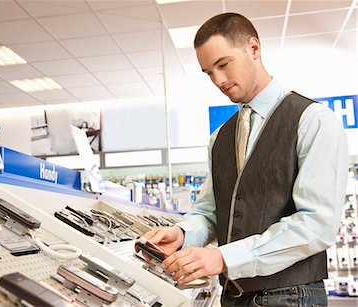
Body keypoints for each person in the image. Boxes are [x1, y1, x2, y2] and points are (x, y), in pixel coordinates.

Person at [140, 12, 348, 306]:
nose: (218, 80)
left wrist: (223, 257)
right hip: (233, 297)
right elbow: (210, 211)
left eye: (223, 65)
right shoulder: (220, 138)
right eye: (209, 72)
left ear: (254, 48)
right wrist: (182, 233)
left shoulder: (313, 121)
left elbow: (317, 223)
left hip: (291, 296)